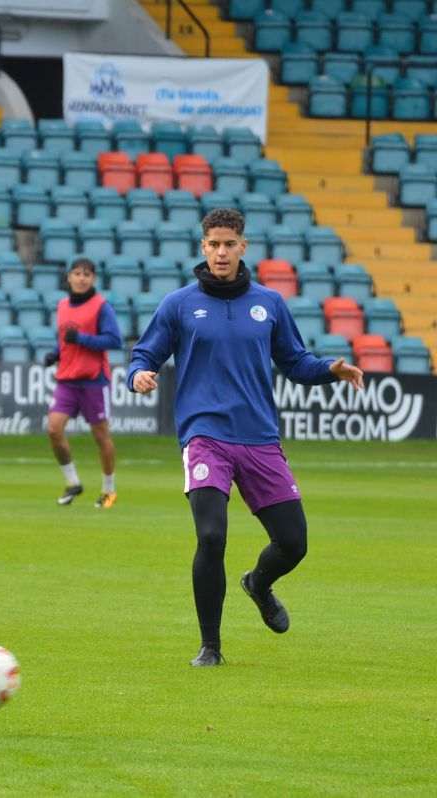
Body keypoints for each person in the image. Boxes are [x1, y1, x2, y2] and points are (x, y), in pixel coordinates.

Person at [126, 208, 364, 667]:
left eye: (228, 244)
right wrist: (139, 374)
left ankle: (258, 583)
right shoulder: (178, 305)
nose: (220, 252)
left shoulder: (269, 304)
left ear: (243, 247)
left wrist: (330, 369)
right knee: (211, 535)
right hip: (205, 436)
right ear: (203, 247)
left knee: (294, 542)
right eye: (213, 244)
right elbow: (144, 354)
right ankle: (210, 647)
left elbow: (296, 362)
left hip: (258, 437)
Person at [43, 257, 124, 509]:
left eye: (86, 274)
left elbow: (114, 340)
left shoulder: (101, 306)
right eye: (76, 273)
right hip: (67, 379)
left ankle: (109, 490)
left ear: (93, 279)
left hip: (93, 380)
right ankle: (73, 483)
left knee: (101, 435)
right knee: (54, 429)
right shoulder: (62, 305)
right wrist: (56, 353)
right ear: (69, 277)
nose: (81, 278)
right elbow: (64, 338)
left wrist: (81, 338)